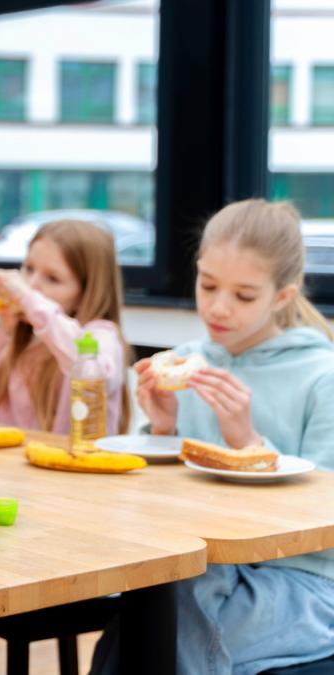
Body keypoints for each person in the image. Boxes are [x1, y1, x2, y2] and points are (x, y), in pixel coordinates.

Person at [93, 199, 334, 674]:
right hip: (200, 570)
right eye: (207, 285)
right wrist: (163, 429)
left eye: (244, 296)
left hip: (300, 582)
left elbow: (324, 527)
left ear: (282, 297)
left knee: (157, 621)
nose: (218, 307)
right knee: (159, 598)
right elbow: (154, 502)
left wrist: (249, 446)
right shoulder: (183, 360)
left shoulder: (322, 375)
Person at [0, 219, 130, 435]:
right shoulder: (15, 342)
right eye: (28, 269)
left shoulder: (101, 336)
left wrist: (29, 300)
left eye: (53, 278)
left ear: (86, 293)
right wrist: (0, 332)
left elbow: (93, 376)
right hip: (13, 466)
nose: (31, 285)